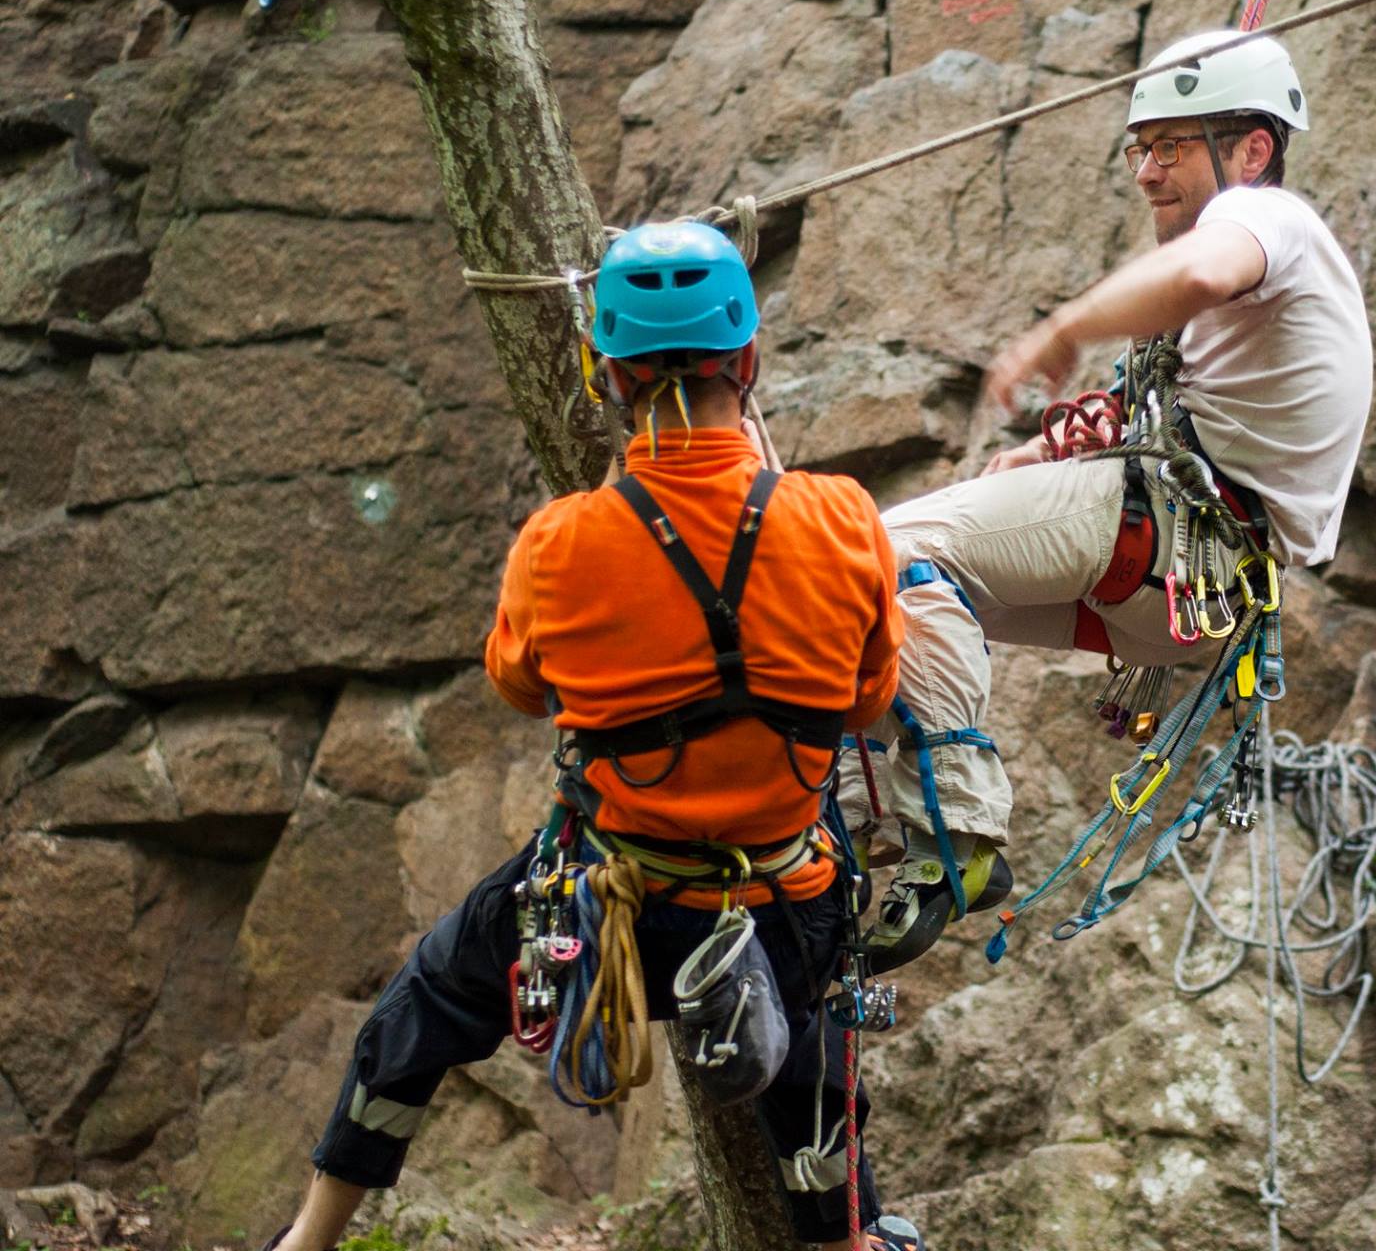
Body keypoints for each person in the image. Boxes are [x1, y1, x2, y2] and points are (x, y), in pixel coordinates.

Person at [266, 223, 925, 1251]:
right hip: (781, 908)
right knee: (814, 1052)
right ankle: (842, 1236)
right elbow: (865, 697)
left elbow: (520, 686)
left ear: (603, 373)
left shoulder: (560, 542)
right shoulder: (841, 519)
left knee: (432, 995)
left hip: (617, 913)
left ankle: (307, 1240)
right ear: (746, 362)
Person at [846, 30, 1374, 972]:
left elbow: (1203, 271)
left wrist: (1067, 327)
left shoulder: (1271, 216)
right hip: (1192, 596)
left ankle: (956, 832)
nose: (1147, 172)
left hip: (1173, 544)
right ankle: (859, 825)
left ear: (1252, 149)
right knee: (889, 601)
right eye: (1141, 148)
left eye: (1171, 146)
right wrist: (1047, 455)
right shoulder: (1242, 290)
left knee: (861, 557)